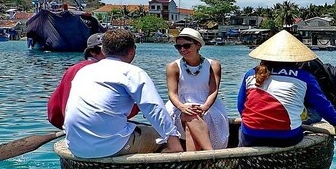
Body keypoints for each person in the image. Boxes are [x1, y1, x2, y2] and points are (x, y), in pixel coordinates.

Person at [64, 28, 183, 158]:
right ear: (132, 51)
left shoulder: (84, 71)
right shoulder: (132, 72)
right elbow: (154, 108)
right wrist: (174, 141)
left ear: (103, 50)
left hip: (75, 146)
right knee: (165, 139)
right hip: (111, 147)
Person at [237, 30, 336, 147]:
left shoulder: (250, 74)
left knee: (241, 131)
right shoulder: (305, 77)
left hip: (250, 135)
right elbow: (322, 105)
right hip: (287, 138)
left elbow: (241, 107)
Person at [165, 28, 230, 151]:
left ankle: (194, 162)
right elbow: (172, 93)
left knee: (191, 119)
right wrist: (182, 107)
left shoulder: (213, 65)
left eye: (186, 46)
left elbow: (213, 90)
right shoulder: (173, 66)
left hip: (207, 104)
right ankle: (210, 154)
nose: (182, 50)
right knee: (190, 115)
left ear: (198, 45)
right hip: (180, 105)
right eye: (178, 47)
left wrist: (204, 107)